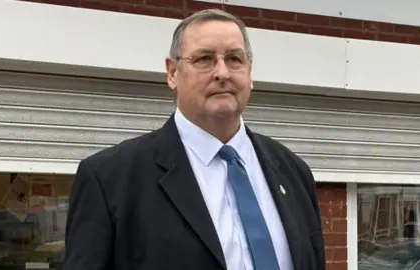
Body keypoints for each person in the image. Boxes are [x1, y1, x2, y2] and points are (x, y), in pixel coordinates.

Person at [63, 8, 325, 270]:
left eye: (235, 58)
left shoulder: (294, 173)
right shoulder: (109, 180)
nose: (222, 72)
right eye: (204, 59)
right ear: (172, 72)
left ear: (250, 71)